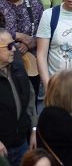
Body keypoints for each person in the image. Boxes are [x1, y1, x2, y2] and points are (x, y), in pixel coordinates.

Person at [0, 27, 35, 165]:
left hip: (22, 144)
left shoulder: (18, 68)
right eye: (9, 46)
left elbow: (30, 100)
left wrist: (33, 130)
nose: (14, 49)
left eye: (13, 44)